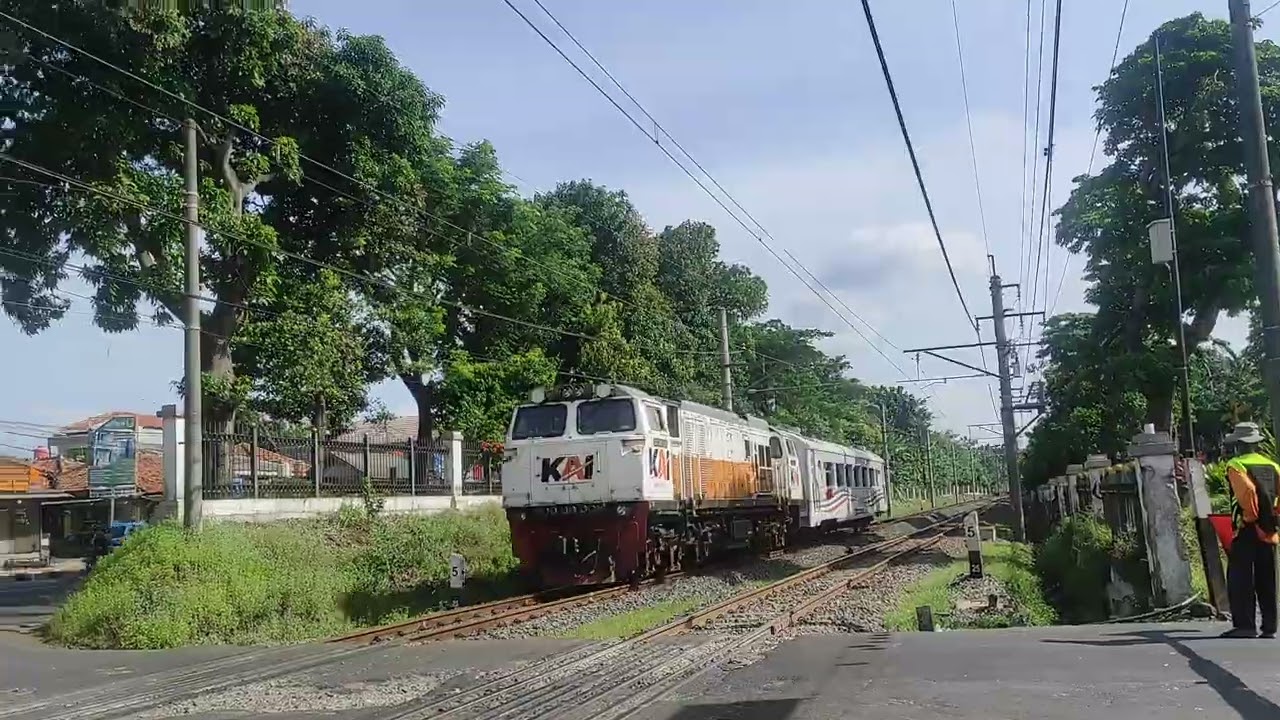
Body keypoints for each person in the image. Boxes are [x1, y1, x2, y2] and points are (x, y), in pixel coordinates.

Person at [1221, 422, 1279, 639]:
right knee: (1268, 577)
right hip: (1270, 528)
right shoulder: (1273, 466)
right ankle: (1270, 626)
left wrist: (1250, 518)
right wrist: (1271, 521)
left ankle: (1245, 625)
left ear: (1239, 444)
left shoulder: (1236, 465)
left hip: (1247, 528)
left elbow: (1247, 492)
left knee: (1240, 577)